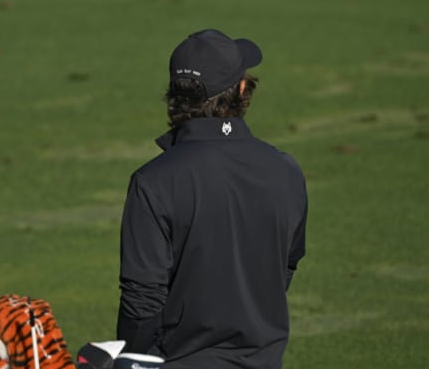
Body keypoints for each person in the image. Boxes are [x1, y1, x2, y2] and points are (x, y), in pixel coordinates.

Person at [116, 29, 308, 368]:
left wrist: (127, 359)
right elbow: (284, 270)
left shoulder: (152, 181)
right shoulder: (286, 170)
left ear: (175, 96)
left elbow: (142, 303)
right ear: (242, 90)